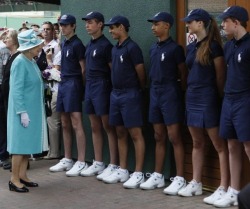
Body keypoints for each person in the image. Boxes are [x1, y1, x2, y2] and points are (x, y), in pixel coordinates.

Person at [178, 9, 229, 203]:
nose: (187, 25)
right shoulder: (191, 47)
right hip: (192, 96)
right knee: (197, 142)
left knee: (219, 144)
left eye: (190, 22)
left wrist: (217, 97)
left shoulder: (215, 47)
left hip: (208, 97)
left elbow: (220, 76)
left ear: (200, 23)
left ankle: (223, 186)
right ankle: (196, 182)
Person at [140, 12, 187, 195]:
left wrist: (179, 92)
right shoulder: (153, 48)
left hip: (170, 93)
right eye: (152, 24)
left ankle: (180, 178)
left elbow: (183, 74)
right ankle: (158, 175)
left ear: (167, 26)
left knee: (174, 136)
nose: (153, 27)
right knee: (158, 135)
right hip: (155, 93)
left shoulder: (175, 49)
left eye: (156, 24)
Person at [102, 15, 146, 189]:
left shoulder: (133, 48)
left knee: (135, 133)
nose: (110, 31)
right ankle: (123, 169)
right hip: (116, 94)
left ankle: (139, 172)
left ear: (122, 27)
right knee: (119, 132)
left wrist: (138, 90)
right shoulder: (114, 49)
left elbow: (141, 72)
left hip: (130, 94)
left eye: (112, 28)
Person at [213, 6, 250, 208]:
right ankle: (234, 191)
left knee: (248, 145)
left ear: (236, 22)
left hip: (245, 99)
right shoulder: (228, 46)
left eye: (225, 21)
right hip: (229, 99)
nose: (222, 25)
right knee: (231, 144)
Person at [7, 29, 48, 192]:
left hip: (32, 110)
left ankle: (23, 176)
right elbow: (16, 89)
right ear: (29, 47)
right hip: (22, 111)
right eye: (37, 45)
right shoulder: (19, 62)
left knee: (26, 145)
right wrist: (22, 111)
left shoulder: (30, 61)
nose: (40, 47)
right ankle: (14, 179)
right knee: (19, 145)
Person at [80, 12, 118, 179]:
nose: (87, 25)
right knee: (94, 125)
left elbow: (113, 70)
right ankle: (99, 162)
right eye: (86, 23)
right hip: (90, 86)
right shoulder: (89, 45)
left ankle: (114, 164)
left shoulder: (106, 45)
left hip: (102, 86)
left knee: (107, 126)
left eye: (91, 22)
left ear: (100, 24)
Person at [49, 14, 88, 177]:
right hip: (63, 83)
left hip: (73, 83)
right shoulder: (64, 43)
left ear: (73, 26)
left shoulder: (78, 44)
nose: (63, 28)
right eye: (61, 25)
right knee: (64, 122)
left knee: (76, 122)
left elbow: (83, 69)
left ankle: (81, 160)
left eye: (66, 25)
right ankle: (67, 158)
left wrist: (81, 87)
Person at [41, 21, 61, 160]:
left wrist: (48, 61)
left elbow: (55, 72)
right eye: (44, 29)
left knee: (53, 121)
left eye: (48, 29)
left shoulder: (56, 46)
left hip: (54, 87)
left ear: (53, 31)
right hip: (43, 88)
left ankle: (54, 152)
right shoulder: (40, 46)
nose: (46, 31)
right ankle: (46, 150)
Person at [0, 30, 10, 169]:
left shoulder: (3, 48)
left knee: (2, 122)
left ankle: (3, 154)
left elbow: (6, 69)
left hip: (1, 87)